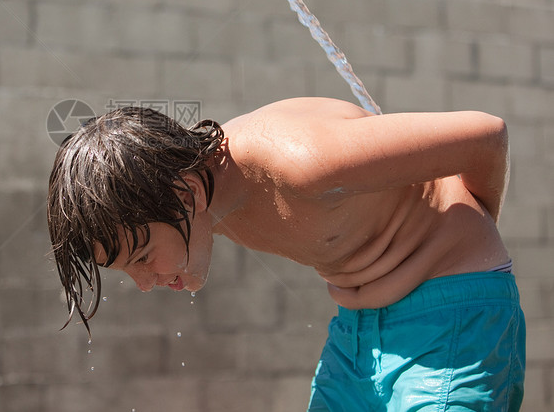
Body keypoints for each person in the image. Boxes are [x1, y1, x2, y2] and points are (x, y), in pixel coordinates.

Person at [46, 97, 525, 411]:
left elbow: (486, 136)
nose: (145, 282)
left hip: (454, 319)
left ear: (188, 194)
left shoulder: (305, 163)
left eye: (144, 257)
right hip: (355, 338)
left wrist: (478, 233)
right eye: (128, 271)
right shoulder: (195, 191)